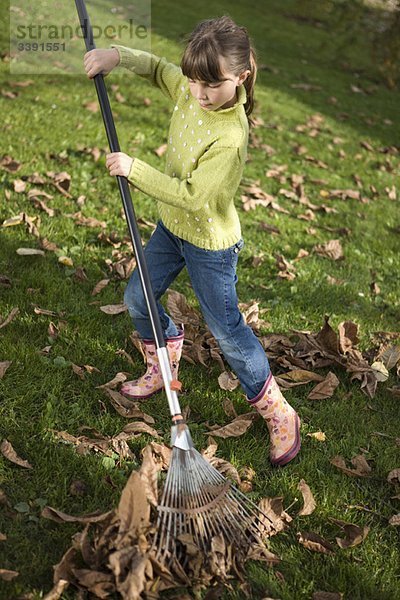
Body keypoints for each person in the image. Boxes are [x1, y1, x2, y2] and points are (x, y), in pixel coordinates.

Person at [83, 15, 300, 466]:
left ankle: (279, 412)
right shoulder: (189, 86)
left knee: (227, 331)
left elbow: (194, 196)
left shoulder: (230, 135)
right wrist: (117, 57)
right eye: (194, 81)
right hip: (172, 230)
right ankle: (164, 354)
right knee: (138, 298)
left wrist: (135, 169)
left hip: (210, 245)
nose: (198, 94)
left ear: (240, 77)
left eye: (212, 85)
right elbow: (159, 68)